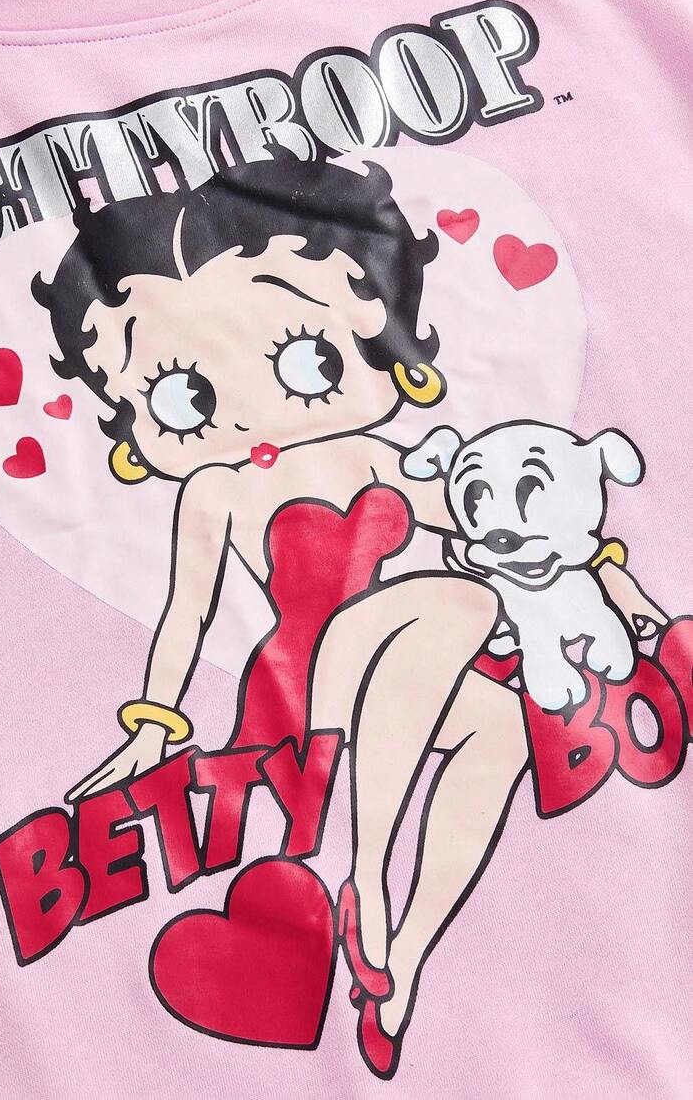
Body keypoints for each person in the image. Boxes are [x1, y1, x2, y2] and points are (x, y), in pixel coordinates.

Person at [33, 152, 664, 1077]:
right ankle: (366, 875)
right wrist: (155, 723)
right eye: (180, 393)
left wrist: (613, 579)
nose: (246, 403)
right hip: (306, 678)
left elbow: (501, 528)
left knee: (502, 728)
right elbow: (186, 615)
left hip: (406, 665)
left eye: (303, 354)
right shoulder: (216, 490)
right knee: (459, 594)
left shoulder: (374, 457)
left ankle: (399, 959)